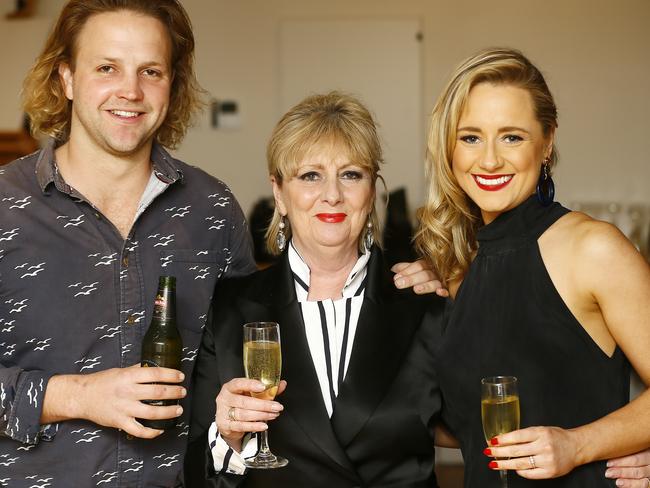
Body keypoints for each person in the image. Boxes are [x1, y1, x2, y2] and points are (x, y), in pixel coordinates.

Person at [0, 1, 258, 486]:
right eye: (106, 67)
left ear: (172, 85)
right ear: (67, 79)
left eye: (151, 71)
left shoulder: (213, 210)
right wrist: (77, 397)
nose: (131, 91)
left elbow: (249, 352)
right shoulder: (3, 207)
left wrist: (410, 277)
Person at [184, 92, 448, 487]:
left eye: (351, 174)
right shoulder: (227, 309)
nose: (332, 195)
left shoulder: (423, 301)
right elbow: (198, 474)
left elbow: (476, 423)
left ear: (372, 188)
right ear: (279, 192)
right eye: (310, 175)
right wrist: (228, 438)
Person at [415, 47, 650, 487]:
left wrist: (579, 444)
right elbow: (460, 427)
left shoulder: (594, 249)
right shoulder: (457, 269)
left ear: (547, 142)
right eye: (470, 137)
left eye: (511, 137)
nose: (488, 160)